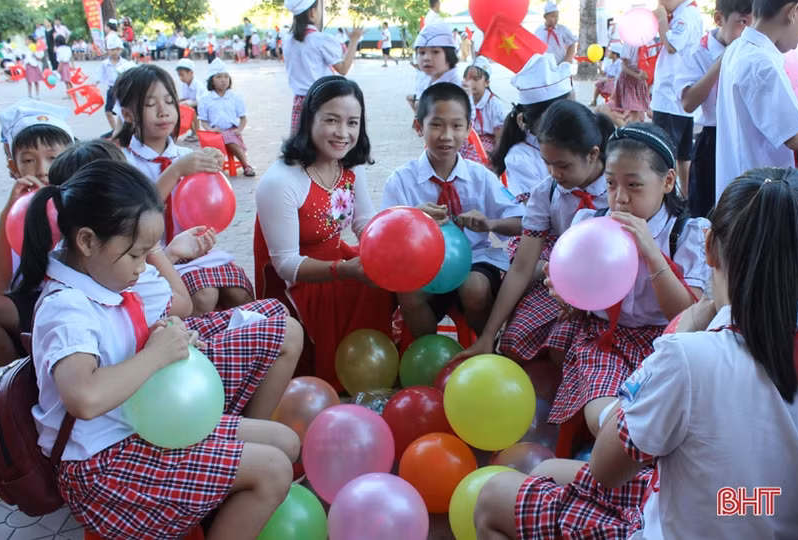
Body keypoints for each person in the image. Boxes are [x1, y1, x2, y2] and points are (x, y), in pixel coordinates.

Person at [476, 167, 798, 539]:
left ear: (709, 246)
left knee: (493, 498)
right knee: (544, 472)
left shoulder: (690, 356)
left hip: (680, 522)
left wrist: (676, 335)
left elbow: (605, 468)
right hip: (749, 502)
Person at [18, 159, 301, 539]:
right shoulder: (66, 306)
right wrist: (156, 355)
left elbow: (135, 346)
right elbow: (83, 397)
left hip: (136, 430)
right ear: (86, 241)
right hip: (101, 468)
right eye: (136, 255)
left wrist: (169, 339)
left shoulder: (105, 282)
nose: (144, 267)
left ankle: (213, 505)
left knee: (285, 442)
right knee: (273, 469)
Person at [551, 123, 709, 438]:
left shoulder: (687, 234)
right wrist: (565, 291)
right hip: (605, 341)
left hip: (665, 346)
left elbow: (685, 317)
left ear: (667, 181)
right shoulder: (589, 223)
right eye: (610, 184)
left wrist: (652, 253)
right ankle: (623, 458)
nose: (619, 198)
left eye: (634, 186)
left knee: (669, 419)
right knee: (607, 420)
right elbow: (578, 294)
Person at [256, 76, 395, 391]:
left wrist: (394, 237)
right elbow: (286, 264)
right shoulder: (280, 181)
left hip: (338, 260)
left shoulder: (349, 166)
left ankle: (374, 370)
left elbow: (364, 221)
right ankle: (342, 378)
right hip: (300, 281)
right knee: (364, 285)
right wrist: (345, 270)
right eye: (331, 120)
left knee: (384, 281)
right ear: (309, 120)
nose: (343, 133)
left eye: (352, 122)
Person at [455, 101, 613, 367]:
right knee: (515, 341)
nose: (554, 173)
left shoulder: (618, 190)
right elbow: (522, 268)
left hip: (612, 287)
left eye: (563, 165)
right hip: (562, 281)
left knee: (567, 344)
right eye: (547, 163)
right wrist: (489, 335)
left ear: (593, 154)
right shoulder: (547, 191)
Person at [383, 83, 523, 338]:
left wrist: (491, 224)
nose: (446, 135)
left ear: (469, 129)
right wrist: (413, 218)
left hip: (475, 260)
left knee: (474, 288)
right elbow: (383, 236)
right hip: (422, 264)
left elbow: (522, 221)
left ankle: (485, 349)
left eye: (457, 126)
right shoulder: (401, 180)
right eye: (436, 124)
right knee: (408, 290)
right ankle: (427, 351)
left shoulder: (481, 176)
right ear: (418, 126)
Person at [115, 64, 257, 314]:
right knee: (204, 296)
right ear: (128, 115)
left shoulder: (187, 156)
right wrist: (176, 171)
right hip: (149, 261)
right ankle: (192, 347)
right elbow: (134, 216)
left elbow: (208, 205)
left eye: (170, 101)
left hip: (194, 254)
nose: (164, 112)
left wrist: (212, 168)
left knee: (241, 293)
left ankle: (232, 344)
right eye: (150, 105)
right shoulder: (123, 163)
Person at [0, 101, 75, 367]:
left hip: (75, 303)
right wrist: (7, 212)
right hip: (32, 302)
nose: (42, 169)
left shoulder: (82, 203)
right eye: (29, 160)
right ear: (13, 167)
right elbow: (0, 285)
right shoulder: (16, 212)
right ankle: (13, 380)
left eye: (53, 157)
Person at [715, 0, 798, 201]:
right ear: (794, 11)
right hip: (760, 194)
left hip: (742, 187)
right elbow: (795, 137)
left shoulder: (739, 47)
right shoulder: (761, 64)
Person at [676, 0, 752, 218]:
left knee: (744, 208)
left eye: (753, 23)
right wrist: (719, 64)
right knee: (708, 209)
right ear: (719, 19)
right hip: (713, 139)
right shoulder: (698, 52)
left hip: (746, 136)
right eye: (742, 22)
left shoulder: (754, 50)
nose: (747, 31)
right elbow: (688, 102)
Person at [490, 54, 572, 201]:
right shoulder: (520, 158)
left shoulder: (576, 142)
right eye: (553, 117)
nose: (565, 122)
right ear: (523, 120)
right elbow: (536, 213)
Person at [282, 0, 364, 134]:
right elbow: (343, 68)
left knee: (300, 146)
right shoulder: (320, 39)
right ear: (312, 13)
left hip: (299, 102)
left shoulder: (288, 41)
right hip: (322, 101)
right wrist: (354, 40)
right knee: (325, 147)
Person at [651, 0, 703, 197]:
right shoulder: (690, 13)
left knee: (664, 151)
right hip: (678, 96)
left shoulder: (684, 16)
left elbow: (672, 45)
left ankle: (666, 197)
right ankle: (685, 195)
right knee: (683, 153)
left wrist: (662, 20)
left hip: (670, 97)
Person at [199, 58, 257, 177]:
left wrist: (239, 129)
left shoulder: (235, 97)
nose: (223, 80)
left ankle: (246, 165)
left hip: (231, 131)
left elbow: (243, 118)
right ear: (211, 80)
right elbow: (203, 121)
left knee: (228, 138)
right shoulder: (206, 99)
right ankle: (214, 167)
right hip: (214, 133)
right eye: (219, 77)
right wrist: (211, 130)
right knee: (217, 141)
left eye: (226, 77)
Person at [462, 56, 506, 161]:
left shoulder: (495, 104)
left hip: (487, 145)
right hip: (464, 141)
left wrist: (497, 157)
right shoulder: (461, 101)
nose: (470, 83)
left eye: (475, 79)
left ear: (487, 82)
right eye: (467, 79)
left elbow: (500, 137)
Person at [603, 42, 650, 126]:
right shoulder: (630, 42)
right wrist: (637, 75)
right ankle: (627, 129)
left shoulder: (649, 43)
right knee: (630, 109)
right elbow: (624, 66)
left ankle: (628, 129)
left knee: (636, 112)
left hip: (640, 81)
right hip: (628, 79)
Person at [95, 33, 133, 133]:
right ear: (108, 51)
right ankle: (114, 130)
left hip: (122, 89)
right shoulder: (105, 64)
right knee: (108, 112)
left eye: (117, 49)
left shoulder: (125, 63)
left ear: (120, 50)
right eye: (112, 49)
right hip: (111, 89)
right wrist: (94, 84)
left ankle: (124, 130)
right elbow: (100, 75)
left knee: (123, 111)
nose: (115, 52)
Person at [175, 58, 203, 142]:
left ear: (190, 73)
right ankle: (193, 132)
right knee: (182, 109)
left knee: (189, 110)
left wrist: (186, 103)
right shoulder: (184, 85)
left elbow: (199, 101)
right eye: (179, 75)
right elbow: (185, 97)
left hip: (202, 105)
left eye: (182, 75)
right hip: (192, 104)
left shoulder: (198, 85)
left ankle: (198, 132)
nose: (180, 78)